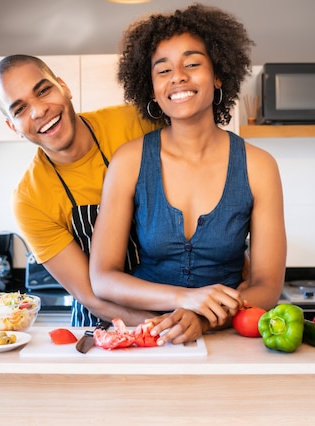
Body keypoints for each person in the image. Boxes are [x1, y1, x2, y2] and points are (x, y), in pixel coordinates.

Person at [89, 4, 287, 345]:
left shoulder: (259, 166)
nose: (178, 76)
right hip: (145, 339)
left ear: (218, 73)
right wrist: (183, 300)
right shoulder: (130, 161)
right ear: (151, 89)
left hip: (229, 342)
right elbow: (103, 278)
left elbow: (267, 286)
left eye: (192, 64)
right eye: (162, 70)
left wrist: (202, 321)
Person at [0, 54, 161, 327]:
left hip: (180, 303)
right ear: (13, 127)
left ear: (64, 87)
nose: (38, 111)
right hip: (103, 330)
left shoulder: (134, 122)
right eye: (20, 109)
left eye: (44, 91)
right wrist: (164, 326)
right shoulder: (29, 199)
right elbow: (92, 296)